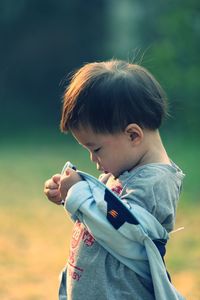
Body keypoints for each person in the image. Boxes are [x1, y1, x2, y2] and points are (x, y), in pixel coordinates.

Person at [44, 60, 185, 300]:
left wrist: (79, 193)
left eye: (96, 148)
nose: (93, 159)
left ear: (133, 135)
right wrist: (68, 194)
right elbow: (102, 212)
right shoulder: (124, 168)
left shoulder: (155, 183)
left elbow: (123, 229)